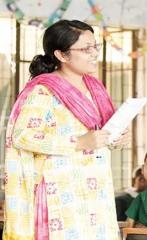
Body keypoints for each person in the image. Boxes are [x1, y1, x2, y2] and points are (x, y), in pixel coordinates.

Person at [3, 20, 130, 239]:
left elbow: (99, 134)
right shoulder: (44, 91)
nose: (94, 53)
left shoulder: (95, 87)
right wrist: (79, 142)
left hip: (96, 190)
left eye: (95, 46)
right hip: (61, 193)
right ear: (61, 55)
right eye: (85, 49)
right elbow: (22, 136)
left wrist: (117, 138)